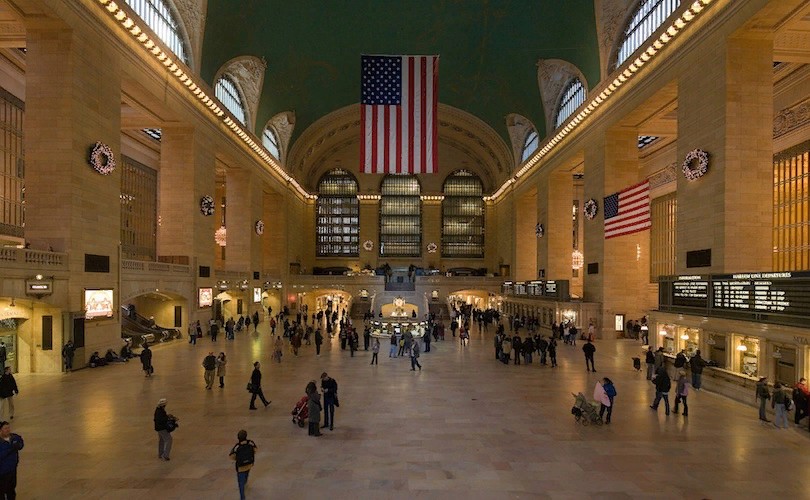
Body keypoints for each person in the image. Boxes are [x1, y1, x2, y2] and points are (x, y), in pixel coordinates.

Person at [229, 430, 257, 500]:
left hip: (241, 467)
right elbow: (255, 450)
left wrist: (238, 458)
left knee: (240, 483)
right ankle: (245, 481)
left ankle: (242, 497)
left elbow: (231, 456)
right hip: (249, 464)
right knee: (247, 473)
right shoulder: (250, 442)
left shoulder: (237, 446)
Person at [0, 421, 23, 498]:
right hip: (2, 472)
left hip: (12, 469)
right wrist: (11, 448)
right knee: (1, 491)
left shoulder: (14, 437)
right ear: (1, 430)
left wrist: (18, 445)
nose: (8, 430)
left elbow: (21, 443)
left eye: (8, 427)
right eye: (5, 428)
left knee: (11, 490)